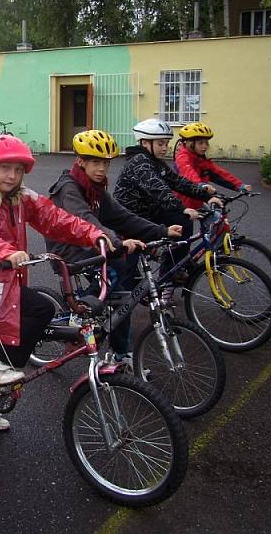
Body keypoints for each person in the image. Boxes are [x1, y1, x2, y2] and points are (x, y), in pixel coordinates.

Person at [0, 135, 107, 431]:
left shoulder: (21, 197)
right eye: (5, 168)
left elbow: (55, 218)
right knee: (38, 309)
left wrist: (92, 233)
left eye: (18, 169)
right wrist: (4, 252)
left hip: (4, 278)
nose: (12, 175)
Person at [45, 129, 181, 362]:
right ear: (81, 161)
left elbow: (122, 216)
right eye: (95, 162)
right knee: (115, 272)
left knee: (122, 298)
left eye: (106, 164)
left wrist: (161, 230)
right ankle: (79, 314)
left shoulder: (95, 188)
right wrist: (117, 243)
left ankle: (120, 355)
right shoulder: (70, 189)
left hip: (89, 244)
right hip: (68, 251)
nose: (101, 169)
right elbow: (88, 221)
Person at [113, 118, 222, 281]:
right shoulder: (139, 162)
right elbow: (158, 188)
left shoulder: (155, 162)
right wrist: (182, 207)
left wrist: (206, 194)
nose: (165, 148)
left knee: (183, 221)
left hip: (149, 212)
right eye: (160, 144)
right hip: (130, 217)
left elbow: (177, 181)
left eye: (166, 144)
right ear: (145, 143)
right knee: (127, 275)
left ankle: (172, 268)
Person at [173, 122, 250, 210]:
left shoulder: (200, 159)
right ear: (189, 143)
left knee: (218, 216)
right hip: (183, 203)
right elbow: (188, 172)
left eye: (206, 143)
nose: (205, 146)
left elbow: (219, 173)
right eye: (200, 143)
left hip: (199, 199)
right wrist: (200, 185)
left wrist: (239, 185)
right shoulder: (182, 157)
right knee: (185, 223)